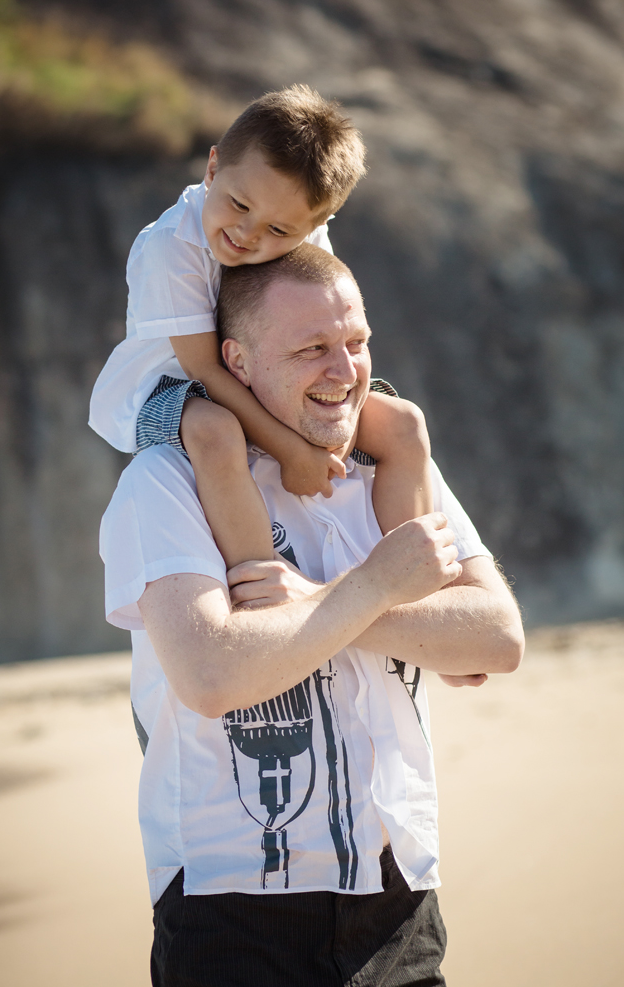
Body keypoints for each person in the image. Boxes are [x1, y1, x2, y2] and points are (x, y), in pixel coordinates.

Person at [99, 244, 524, 987]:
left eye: (356, 343)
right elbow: (210, 670)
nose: (345, 371)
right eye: (311, 349)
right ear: (233, 362)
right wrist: (373, 589)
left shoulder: (393, 467)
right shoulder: (166, 482)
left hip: (399, 903)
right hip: (229, 907)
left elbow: (496, 637)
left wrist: (329, 601)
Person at [90, 85, 433, 573]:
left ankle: (410, 574)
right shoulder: (171, 248)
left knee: (402, 423)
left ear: (315, 224)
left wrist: (339, 418)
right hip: (168, 389)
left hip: (263, 372)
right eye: (239, 205)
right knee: (214, 430)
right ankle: (263, 587)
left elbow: (316, 319)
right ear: (212, 170)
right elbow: (205, 369)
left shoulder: (306, 230)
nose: (247, 234)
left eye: (278, 231)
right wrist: (292, 450)